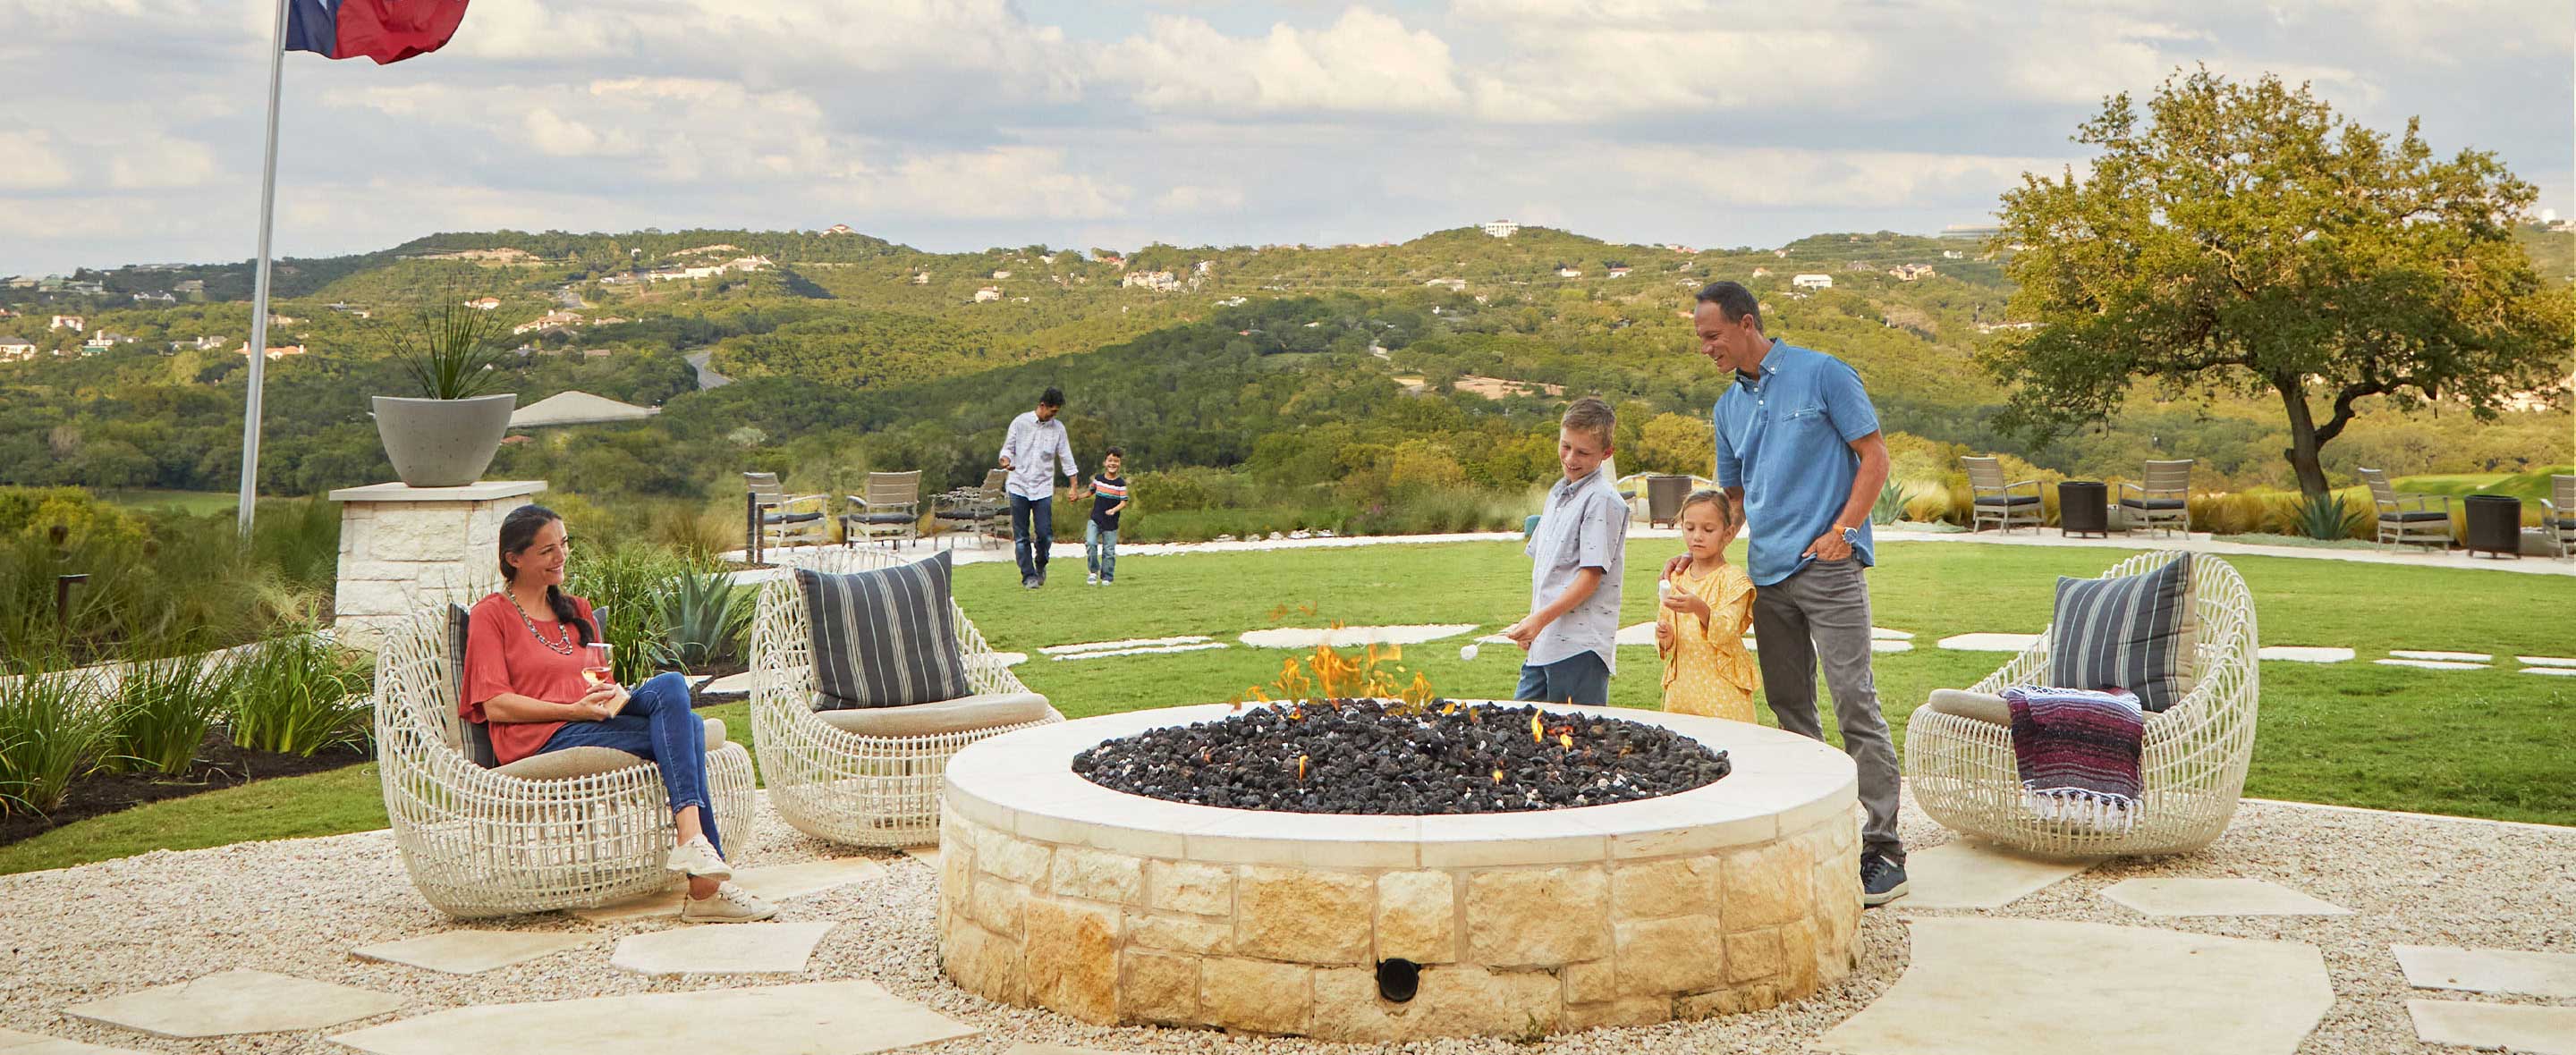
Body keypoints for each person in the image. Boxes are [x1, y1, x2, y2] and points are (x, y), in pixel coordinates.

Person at [1676, 279, 1907, 906]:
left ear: (1746, 323)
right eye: (1701, 339)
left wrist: (1843, 531)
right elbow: (1736, 500)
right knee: (1790, 708)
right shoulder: (1727, 409)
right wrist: (1706, 550)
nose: (1707, 348)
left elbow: (1875, 457)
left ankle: (1884, 846)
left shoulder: (1824, 374)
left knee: (1854, 699)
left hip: (1829, 570)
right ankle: (1820, 829)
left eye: (1713, 336)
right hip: (1768, 576)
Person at [460, 504, 775, 923]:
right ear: (513, 559)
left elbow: (594, 679)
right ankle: (702, 877)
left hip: (591, 717)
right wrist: (571, 710)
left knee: (668, 686)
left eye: (565, 544)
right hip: (539, 736)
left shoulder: (576, 610)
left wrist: (609, 695)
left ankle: (693, 843)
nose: (561, 557)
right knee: (692, 730)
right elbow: (495, 703)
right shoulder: (491, 615)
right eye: (547, 550)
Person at [1501, 397, 1628, 706]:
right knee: (1520, 729)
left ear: (1606, 454)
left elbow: (1590, 577)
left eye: (1583, 452)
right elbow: (1550, 573)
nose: (1571, 458)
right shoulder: (1558, 494)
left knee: (1576, 740)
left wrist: (1539, 620)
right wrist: (1534, 623)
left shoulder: (1602, 500)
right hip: (1543, 643)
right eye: (1565, 446)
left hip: (1579, 649)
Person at [1656, 489, 1758, 722]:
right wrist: (1665, 636)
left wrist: (1699, 608)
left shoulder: (1734, 579)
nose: (1697, 537)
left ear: (1728, 533)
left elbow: (1727, 630)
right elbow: (1667, 633)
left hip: (1723, 693)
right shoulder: (1676, 578)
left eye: (1708, 529)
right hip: (1682, 691)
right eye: (1690, 528)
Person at [998, 387, 1080, 589]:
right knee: (1021, 536)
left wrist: (1073, 486)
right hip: (1018, 485)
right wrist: (1006, 459)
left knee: (1044, 534)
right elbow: (1007, 449)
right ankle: (1028, 576)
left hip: (1043, 488)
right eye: (1052, 411)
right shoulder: (1020, 423)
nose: (1054, 415)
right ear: (1042, 406)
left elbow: (1066, 457)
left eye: (1057, 412)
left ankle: (1041, 564)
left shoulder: (1058, 429)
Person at [1074, 446, 1131, 586]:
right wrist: (1078, 497)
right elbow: (1090, 492)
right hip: (1096, 519)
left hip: (1111, 523)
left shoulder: (1120, 484)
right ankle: (1093, 572)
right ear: (1105, 462)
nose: (1112, 464)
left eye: (1116, 461)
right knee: (1091, 543)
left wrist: (1114, 510)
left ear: (1119, 464)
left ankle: (1107, 577)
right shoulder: (1098, 479)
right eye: (1110, 460)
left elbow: (1124, 502)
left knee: (1109, 551)